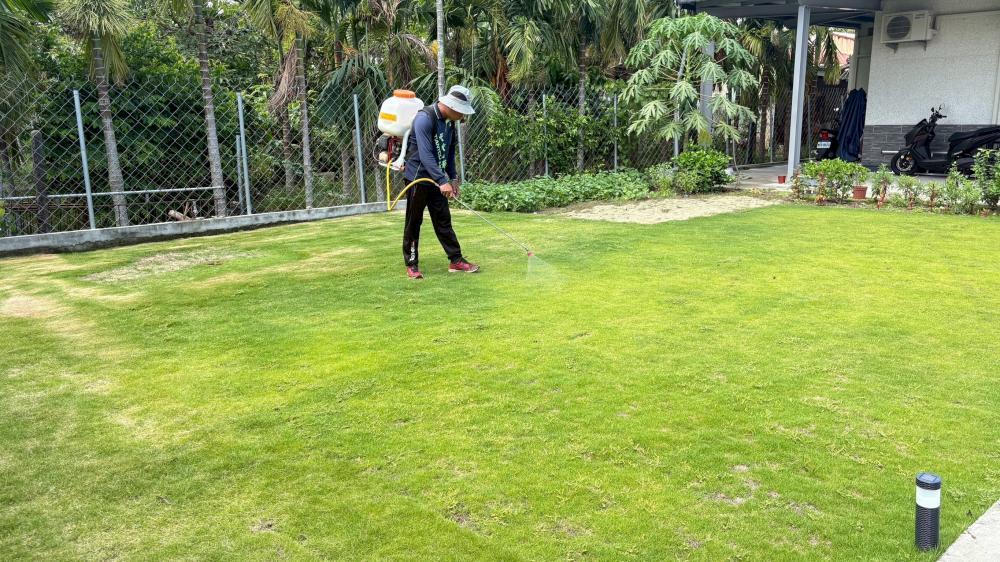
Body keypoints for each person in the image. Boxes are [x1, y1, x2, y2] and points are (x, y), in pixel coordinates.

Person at [401, 85, 479, 279]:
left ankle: (456, 260)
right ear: (451, 106)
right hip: (418, 178)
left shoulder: (449, 123)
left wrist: (452, 178)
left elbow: (449, 152)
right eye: (461, 111)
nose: (462, 116)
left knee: (443, 220)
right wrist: (441, 180)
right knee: (414, 222)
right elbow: (426, 155)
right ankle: (412, 264)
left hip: (438, 179)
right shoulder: (424, 119)